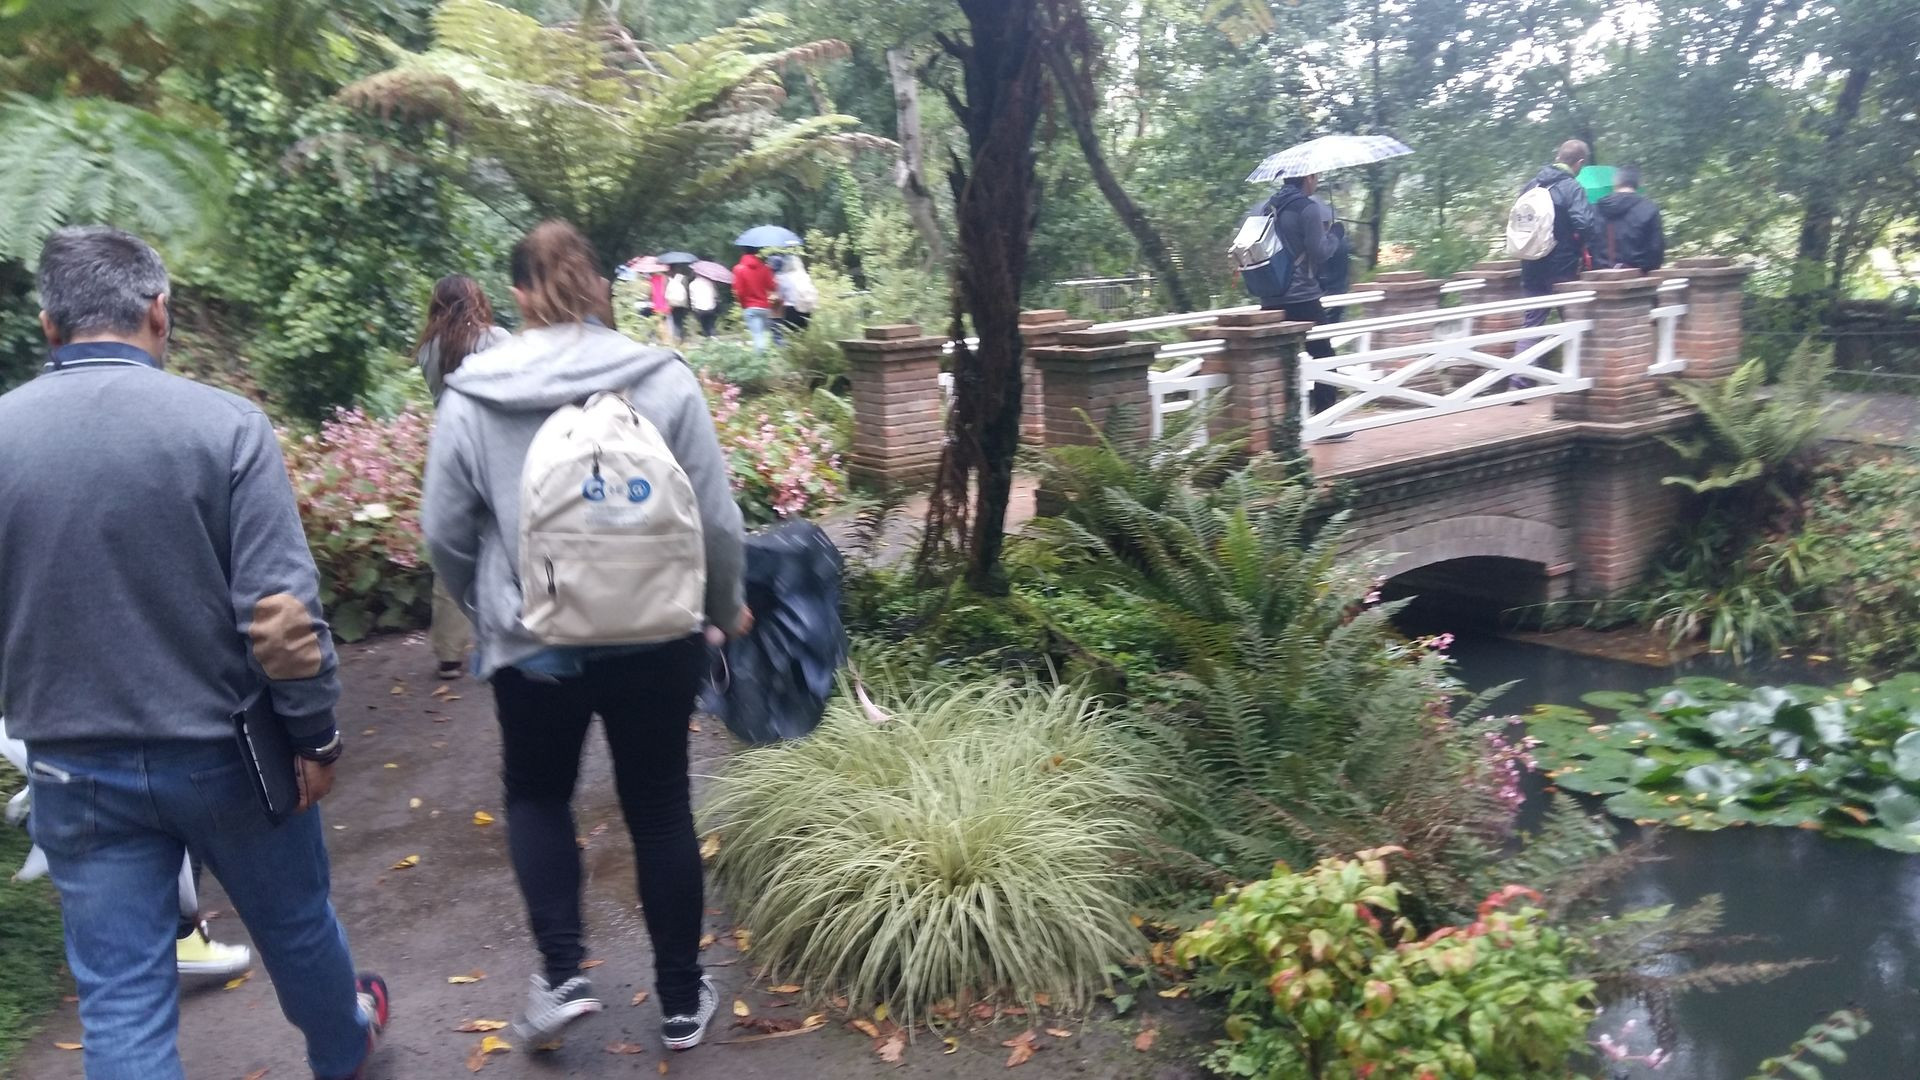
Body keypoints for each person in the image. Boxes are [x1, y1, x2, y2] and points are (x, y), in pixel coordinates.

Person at [0, 226, 388, 1080]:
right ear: (159, 314)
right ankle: (342, 1047)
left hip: (71, 765)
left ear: (48, 326)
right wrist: (315, 736)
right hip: (230, 757)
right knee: (294, 924)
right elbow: (282, 616)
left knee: (121, 999)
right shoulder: (224, 428)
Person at [422, 220, 747, 1051]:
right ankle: (680, 1000)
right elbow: (714, 517)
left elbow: (444, 532)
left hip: (535, 642)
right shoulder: (661, 375)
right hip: (656, 632)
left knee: (537, 795)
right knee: (661, 805)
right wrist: (719, 606)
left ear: (522, 296)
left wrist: (489, 602)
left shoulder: (475, 390)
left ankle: (562, 975)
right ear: (598, 286)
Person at [413, 274, 510, 678]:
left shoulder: (427, 349)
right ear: (476, 299)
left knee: (452, 543)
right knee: (502, 540)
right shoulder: (497, 339)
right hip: (492, 446)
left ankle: (450, 652)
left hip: (449, 447)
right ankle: (500, 638)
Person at [1258, 173, 1347, 438]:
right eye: (1315, 176)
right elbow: (1319, 253)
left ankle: (1279, 429)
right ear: (1308, 178)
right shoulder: (1307, 208)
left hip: (1271, 295)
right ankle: (1325, 423)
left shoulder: (1269, 207)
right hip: (1302, 296)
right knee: (1324, 357)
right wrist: (1335, 235)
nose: (1317, 180)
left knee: (1279, 362)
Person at [1592, 165, 1666, 274]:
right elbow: (1656, 248)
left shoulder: (1597, 208)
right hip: (1638, 276)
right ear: (1639, 183)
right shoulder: (1649, 208)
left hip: (1600, 275)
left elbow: (1589, 241)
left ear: (1616, 182)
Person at [731, 247, 779, 352]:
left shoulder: (739, 269)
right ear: (756, 252)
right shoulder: (765, 268)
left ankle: (760, 362)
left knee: (758, 337)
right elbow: (772, 286)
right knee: (765, 335)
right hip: (765, 307)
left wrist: (744, 305)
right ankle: (771, 358)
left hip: (750, 307)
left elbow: (739, 291)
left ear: (743, 252)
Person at [775, 253, 819, 334]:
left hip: (790, 310)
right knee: (802, 336)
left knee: (789, 335)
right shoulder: (804, 276)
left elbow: (780, 296)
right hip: (806, 309)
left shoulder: (783, 277)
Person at [689, 270, 720, 339]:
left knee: (704, 325)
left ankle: (707, 339)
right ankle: (714, 338)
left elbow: (692, 298)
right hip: (711, 307)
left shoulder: (692, 284)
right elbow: (715, 295)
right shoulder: (710, 282)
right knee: (711, 325)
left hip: (700, 309)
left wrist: (693, 308)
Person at [666, 270, 692, 343]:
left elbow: (666, 292)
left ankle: (676, 337)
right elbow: (686, 291)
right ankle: (680, 337)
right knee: (680, 320)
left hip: (672, 303)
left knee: (674, 320)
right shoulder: (683, 278)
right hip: (681, 303)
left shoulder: (668, 279)